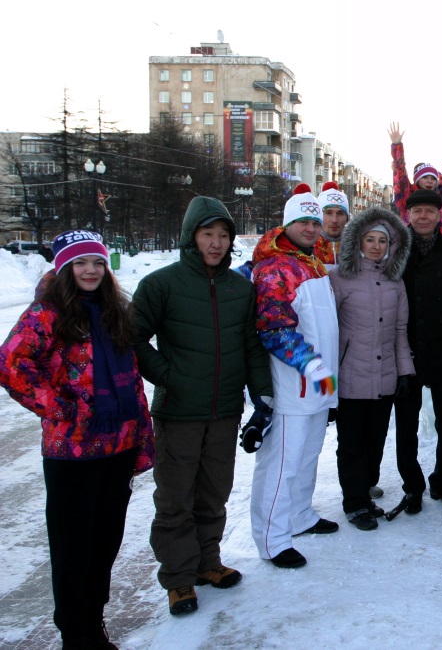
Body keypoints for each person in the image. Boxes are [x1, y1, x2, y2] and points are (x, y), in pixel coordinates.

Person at [0, 230, 154, 648]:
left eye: (98, 263)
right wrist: (63, 407)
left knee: (105, 544)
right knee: (73, 549)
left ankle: (93, 622)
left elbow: (133, 380)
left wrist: (142, 435)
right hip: (72, 453)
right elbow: (11, 364)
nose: (90, 270)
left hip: (117, 448)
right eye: (81, 263)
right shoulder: (47, 313)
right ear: (65, 268)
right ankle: (74, 632)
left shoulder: (113, 312)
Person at [131, 197, 274, 615]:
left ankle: (207, 562)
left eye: (223, 235)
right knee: (175, 496)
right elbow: (134, 336)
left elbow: (251, 346)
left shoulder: (239, 288)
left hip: (225, 410)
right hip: (178, 412)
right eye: (208, 234)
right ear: (191, 237)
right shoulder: (161, 285)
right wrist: (168, 375)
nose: (216, 243)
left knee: (214, 492)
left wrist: (261, 393)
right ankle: (178, 578)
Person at [250, 191, 340, 569]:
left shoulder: (314, 264)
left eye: (315, 222)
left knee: (308, 456)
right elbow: (273, 328)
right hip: (294, 384)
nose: (311, 228)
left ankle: (300, 515)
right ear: (287, 224)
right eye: (304, 221)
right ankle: (271, 537)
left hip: (320, 383)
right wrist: (310, 365)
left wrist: (327, 378)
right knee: (283, 461)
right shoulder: (274, 268)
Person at [329, 206, 414, 530]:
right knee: (351, 443)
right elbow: (329, 330)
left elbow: (399, 332)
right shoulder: (339, 278)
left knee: (375, 440)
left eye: (383, 240)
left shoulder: (395, 282)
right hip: (350, 377)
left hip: (385, 378)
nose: (377, 246)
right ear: (358, 242)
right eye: (370, 239)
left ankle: (364, 493)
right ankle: (354, 504)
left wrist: (404, 372)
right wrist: (329, 380)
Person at [392, 190, 442, 513]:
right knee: (406, 425)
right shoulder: (395, 251)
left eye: (429, 211)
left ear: (439, 215)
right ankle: (413, 487)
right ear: (408, 215)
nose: (423, 216)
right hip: (405, 352)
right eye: (417, 211)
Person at [314, 181, 350, 265]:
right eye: (328, 213)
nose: (334, 220)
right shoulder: (306, 249)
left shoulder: (359, 248)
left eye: (340, 213)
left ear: (347, 218)